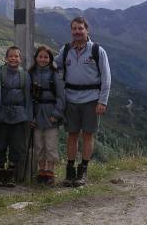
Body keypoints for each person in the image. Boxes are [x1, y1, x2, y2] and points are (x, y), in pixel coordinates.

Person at [55, 16, 111, 187]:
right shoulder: (65, 50)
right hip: (70, 99)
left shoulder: (97, 51)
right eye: (74, 29)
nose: (77, 32)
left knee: (87, 135)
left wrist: (103, 101)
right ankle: (70, 171)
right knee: (72, 135)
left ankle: (83, 171)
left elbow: (106, 77)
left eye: (80, 28)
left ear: (87, 30)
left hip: (91, 100)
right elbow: (52, 64)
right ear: (71, 31)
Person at [0, 46, 33, 187]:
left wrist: (30, 117)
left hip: (19, 115)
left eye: (16, 56)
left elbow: (28, 98)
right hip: (3, 114)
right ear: (6, 58)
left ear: (20, 59)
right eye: (11, 56)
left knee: (16, 145)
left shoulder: (25, 75)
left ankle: (10, 173)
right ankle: (0, 172)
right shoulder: (0, 73)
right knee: (1, 144)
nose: (13, 59)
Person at [29, 46, 65, 185]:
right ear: (36, 58)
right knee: (39, 144)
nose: (43, 59)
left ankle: (50, 172)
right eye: (40, 57)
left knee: (50, 144)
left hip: (51, 113)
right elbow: (28, 97)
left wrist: (56, 114)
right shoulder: (31, 74)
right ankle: (41, 171)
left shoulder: (54, 75)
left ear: (50, 59)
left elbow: (61, 97)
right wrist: (30, 116)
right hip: (37, 113)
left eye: (46, 57)